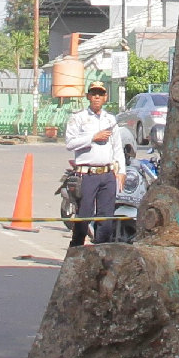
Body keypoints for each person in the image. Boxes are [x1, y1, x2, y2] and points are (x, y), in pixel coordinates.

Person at [64, 80, 128, 247]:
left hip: (107, 174)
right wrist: (92, 138)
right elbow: (69, 143)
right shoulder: (79, 118)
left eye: (100, 94)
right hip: (87, 174)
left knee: (105, 219)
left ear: (105, 97)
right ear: (88, 96)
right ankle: (76, 252)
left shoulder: (110, 119)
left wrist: (121, 171)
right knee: (84, 217)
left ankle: (100, 254)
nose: (97, 97)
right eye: (94, 94)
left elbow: (117, 148)